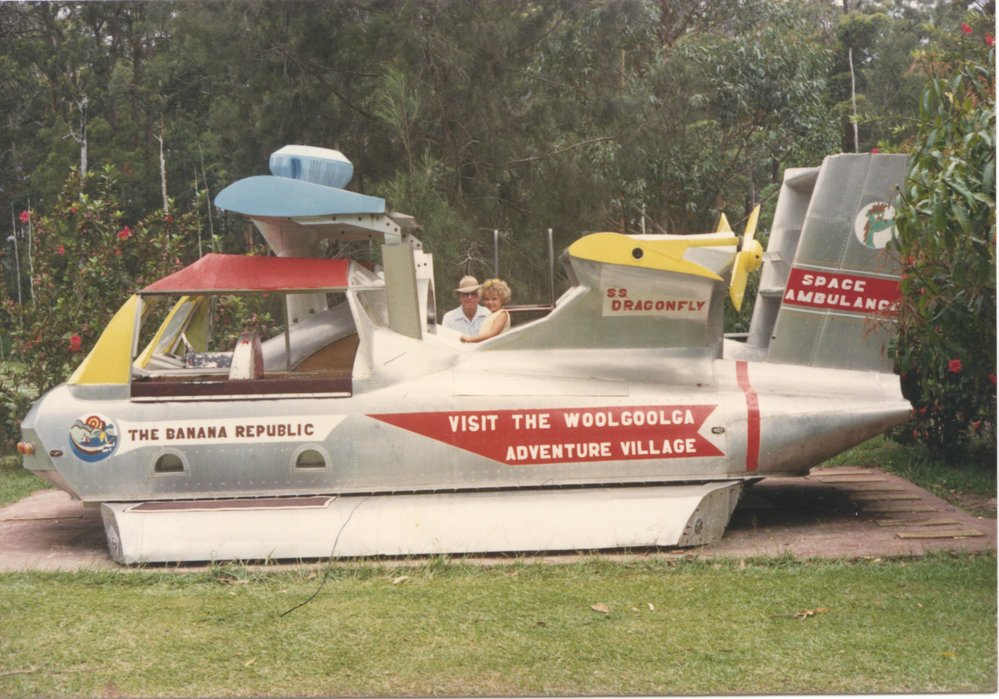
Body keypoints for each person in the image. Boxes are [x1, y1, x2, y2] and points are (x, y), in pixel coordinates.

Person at [460, 278, 511, 344]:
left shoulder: (502, 314)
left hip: (496, 349)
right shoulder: (491, 315)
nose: (490, 302)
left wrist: (470, 339)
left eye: (494, 299)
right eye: (486, 299)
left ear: (503, 299)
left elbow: (492, 334)